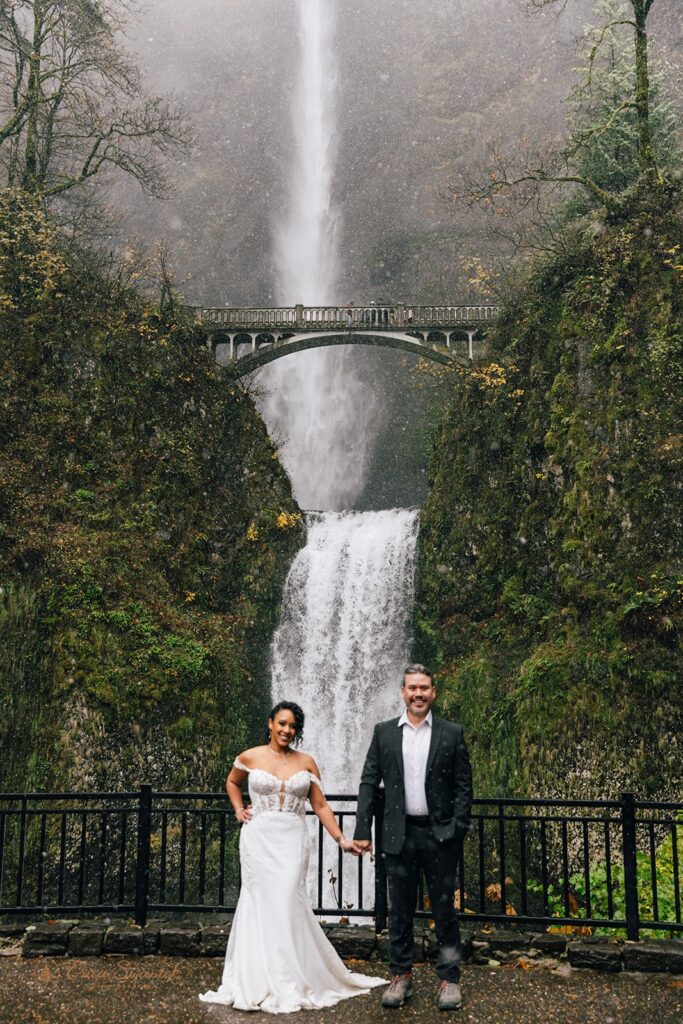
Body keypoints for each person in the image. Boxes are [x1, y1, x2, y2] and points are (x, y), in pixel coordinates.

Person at [199, 700, 386, 1013]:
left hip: (292, 839)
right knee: (260, 903)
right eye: (282, 723)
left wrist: (341, 840)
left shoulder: (307, 762)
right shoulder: (250, 755)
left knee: (287, 900)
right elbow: (232, 782)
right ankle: (260, 978)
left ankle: (290, 977)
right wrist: (237, 809)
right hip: (258, 838)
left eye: (292, 726)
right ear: (271, 722)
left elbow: (321, 806)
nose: (286, 730)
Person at [354, 665, 473, 1011]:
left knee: (444, 910)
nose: (418, 694)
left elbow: (464, 787)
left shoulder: (452, 733)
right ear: (402, 692)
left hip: (440, 836)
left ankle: (449, 979)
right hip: (398, 834)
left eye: (424, 688)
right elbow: (367, 781)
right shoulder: (384, 733)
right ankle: (400, 975)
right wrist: (362, 829)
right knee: (400, 910)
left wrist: (457, 828)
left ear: (434, 692)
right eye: (412, 688)